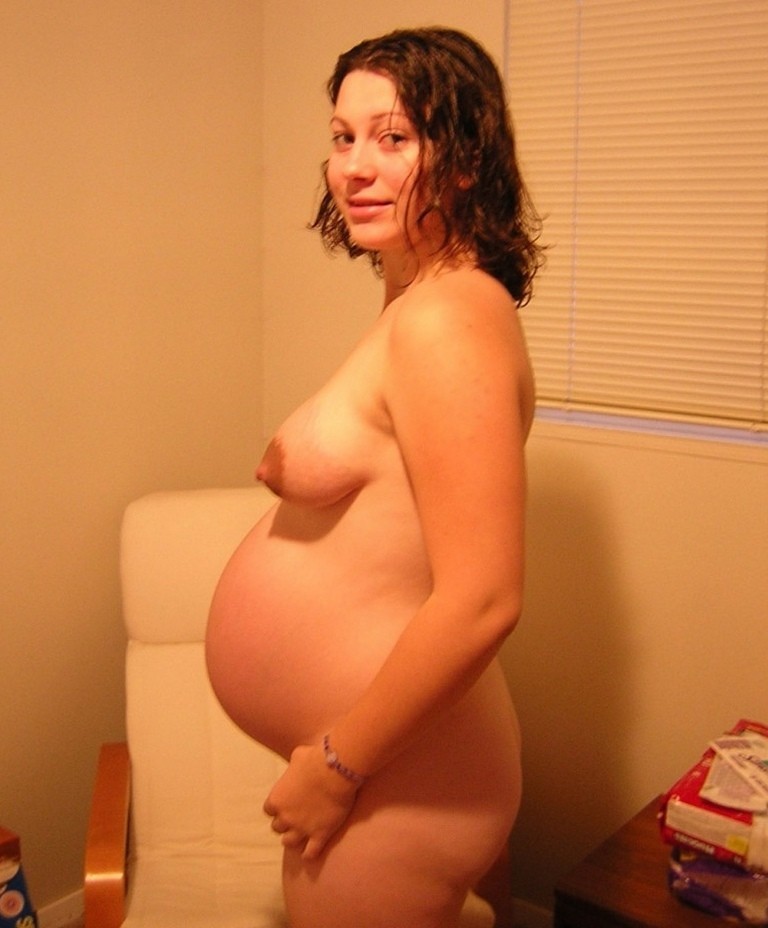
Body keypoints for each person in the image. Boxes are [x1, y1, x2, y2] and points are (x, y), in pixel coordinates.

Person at [205, 26, 542, 928]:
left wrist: (336, 766)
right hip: (385, 762)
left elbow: (483, 600)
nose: (356, 166)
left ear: (463, 160)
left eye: (394, 138)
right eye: (342, 137)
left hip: (399, 775)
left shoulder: (447, 321)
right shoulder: (420, 301)